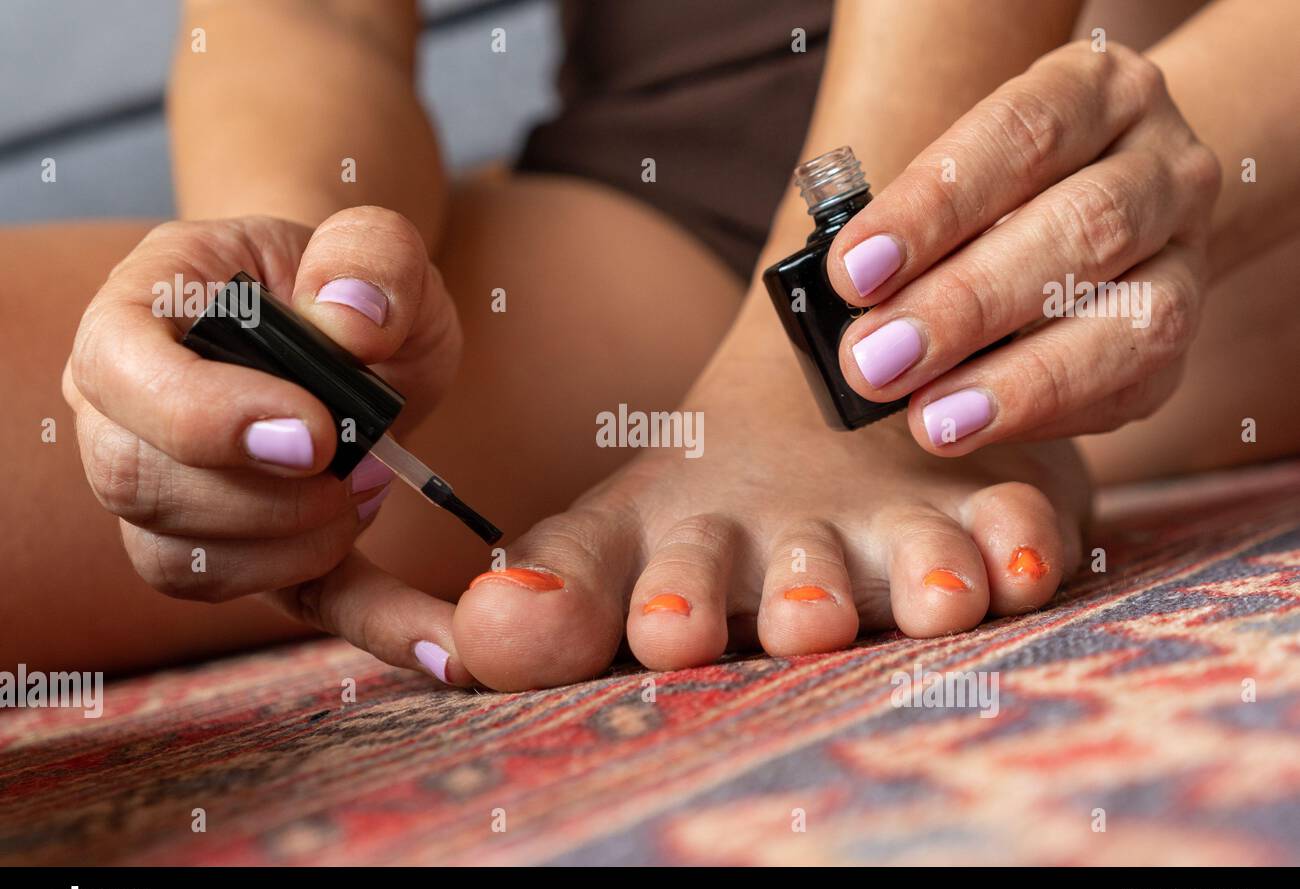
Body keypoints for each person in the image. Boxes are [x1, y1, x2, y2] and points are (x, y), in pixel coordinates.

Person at [5, 0, 1298, 691]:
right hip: (661, 204)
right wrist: (307, 295)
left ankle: (885, 380)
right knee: (143, 410)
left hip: (1131, 83)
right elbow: (315, 19)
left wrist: (820, 371)